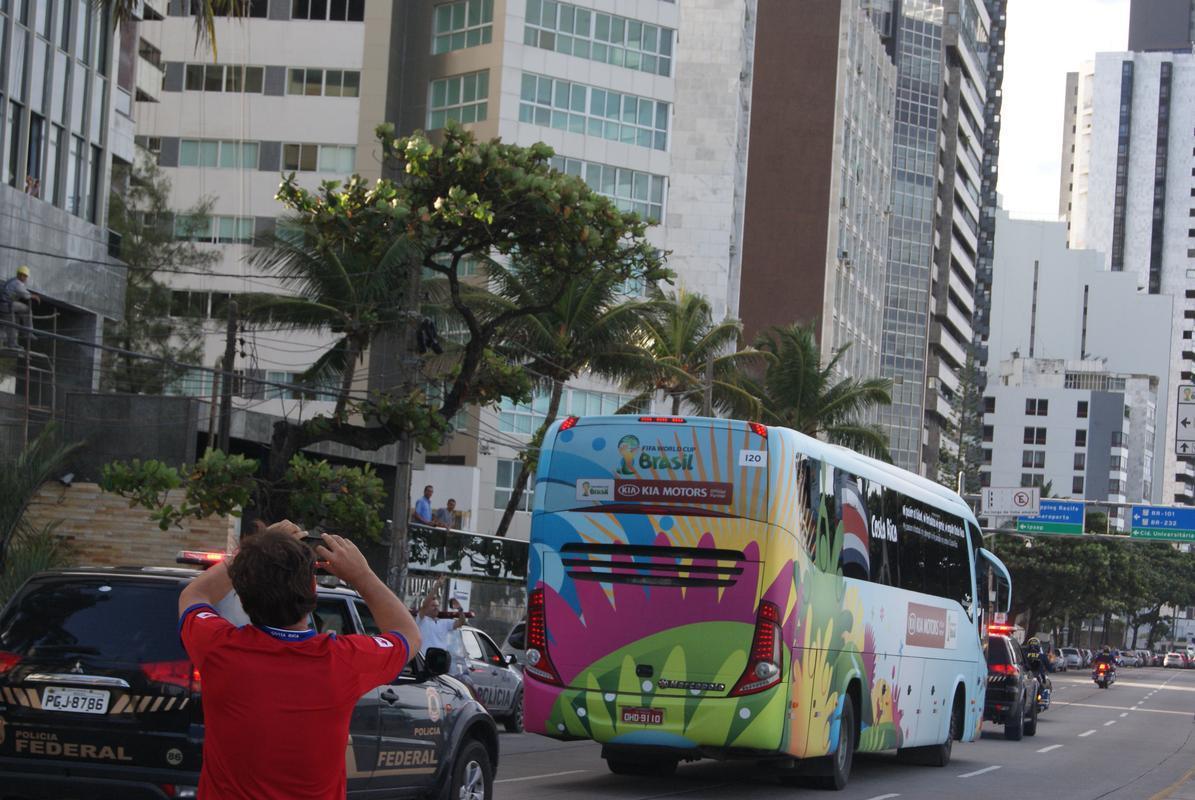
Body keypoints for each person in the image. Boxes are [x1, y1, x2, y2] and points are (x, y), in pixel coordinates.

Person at [178, 520, 420, 800]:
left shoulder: (219, 649)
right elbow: (407, 634)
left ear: (243, 597)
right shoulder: (343, 660)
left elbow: (195, 594)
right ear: (312, 590)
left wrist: (251, 556)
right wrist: (362, 575)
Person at [416, 575, 464, 655]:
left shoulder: (444, 622)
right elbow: (425, 604)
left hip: (441, 662)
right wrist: (437, 586)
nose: (436, 608)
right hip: (425, 660)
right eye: (433, 606)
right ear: (427, 607)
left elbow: (461, 622)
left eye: (437, 606)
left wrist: (460, 609)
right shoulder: (421, 619)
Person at [1, 265, 38, 349]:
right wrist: (34, 296)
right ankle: (29, 332)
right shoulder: (17, 283)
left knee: (12, 324)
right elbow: (25, 295)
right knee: (27, 310)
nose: (26, 278)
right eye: (25, 276)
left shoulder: (12, 281)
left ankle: (11, 343)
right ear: (21, 275)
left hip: (4, 306)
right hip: (8, 304)